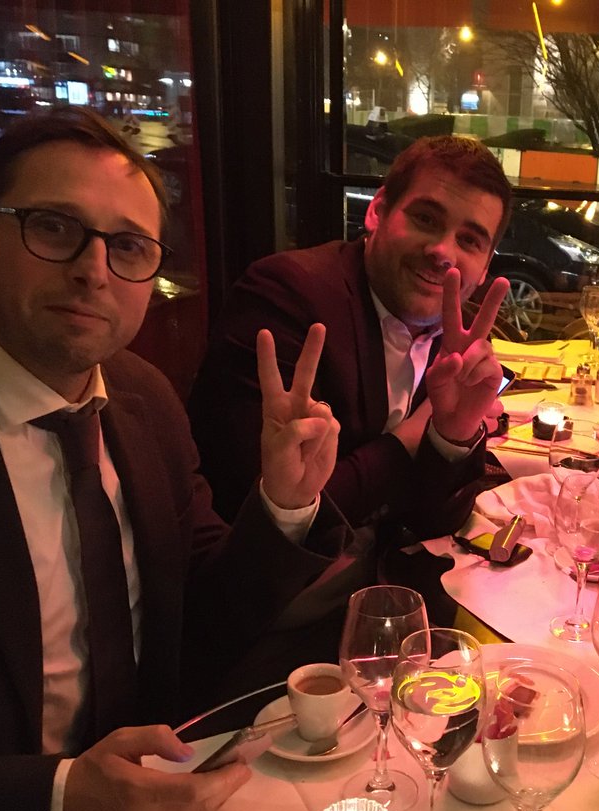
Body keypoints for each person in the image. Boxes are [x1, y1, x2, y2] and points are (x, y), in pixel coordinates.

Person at [0, 106, 349, 811]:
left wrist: (285, 505)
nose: (93, 270)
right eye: (55, 227)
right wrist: (57, 803)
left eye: (127, 247)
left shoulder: (144, 401)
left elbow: (203, 620)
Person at [188, 135, 511, 550]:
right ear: (378, 211)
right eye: (426, 219)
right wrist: (411, 438)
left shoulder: (454, 337)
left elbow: (431, 522)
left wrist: (453, 434)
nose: (442, 251)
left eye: (469, 241)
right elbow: (263, 513)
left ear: (484, 268)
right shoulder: (285, 295)